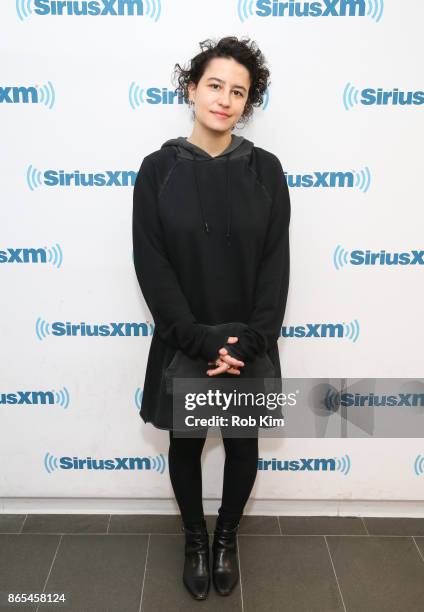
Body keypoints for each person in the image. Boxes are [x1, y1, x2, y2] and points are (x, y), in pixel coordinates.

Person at [132, 36, 291, 600]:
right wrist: (198, 339)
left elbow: (276, 265)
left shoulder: (266, 170)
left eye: (239, 92)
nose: (225, 99)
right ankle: (195, 540)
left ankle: (227, 537)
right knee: (186, 443)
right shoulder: (157, 170)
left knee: (242, 445)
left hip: (247, 342)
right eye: (215, 85)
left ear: (248, 104)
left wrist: (248, 342)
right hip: (184, 340)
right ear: (192, 88)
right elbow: (151, 265)